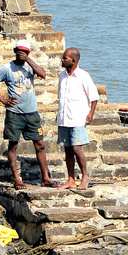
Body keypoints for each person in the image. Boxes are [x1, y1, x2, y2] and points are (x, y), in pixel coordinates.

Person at [0, 40, 56, 188]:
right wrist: (3, 100)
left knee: (40, 144)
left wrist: (29, 60)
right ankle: (16, 178)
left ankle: (45, 178)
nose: (21, 54)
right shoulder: (6, 68)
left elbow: (43, 74)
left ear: (28, 53)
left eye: (24, 52)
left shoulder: (31, 65)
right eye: (19, 51)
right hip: (15, 113)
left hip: (31, 113)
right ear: (14, 51)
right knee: (13, 145)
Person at [55, 47, 99, 189]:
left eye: (65, 58)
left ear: (73, 60)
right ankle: (71, 179)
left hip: (78, 117)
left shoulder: (83, 76)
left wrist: (91, 113)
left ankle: (85, 176)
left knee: (76, 148)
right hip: (64, 117)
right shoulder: (62, 75)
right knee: (67, 149)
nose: (62, 60)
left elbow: (94, 97)